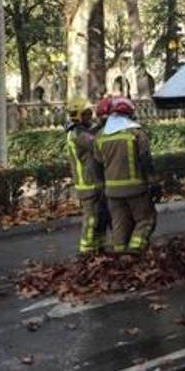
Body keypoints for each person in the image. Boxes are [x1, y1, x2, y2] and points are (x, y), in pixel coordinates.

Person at [93, 97, 159, 253]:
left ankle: (120, 255)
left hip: (112, 192)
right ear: (130, 113)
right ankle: (135, 251)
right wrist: (154, 182)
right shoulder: (136, 133)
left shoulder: (100, 136)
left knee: (119, 224)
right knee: (146, 220)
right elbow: (145, 160)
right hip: (136, 188)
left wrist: (101, 188)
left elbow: (97, 165)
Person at [65, 99, 106, 254]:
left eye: (91, 113)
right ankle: (87, 249)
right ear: (77, 116)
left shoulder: (83, 130)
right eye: (87, 114)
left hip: (94, 181)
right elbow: (96, 143)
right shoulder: (77, 133)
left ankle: (99, 245)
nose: (90, 116)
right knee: (91, 218)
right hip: (87, 183)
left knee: (101, 216)